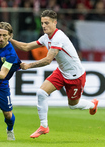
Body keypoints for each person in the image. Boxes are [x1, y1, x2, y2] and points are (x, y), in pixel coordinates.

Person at [10, 10, 99, 138]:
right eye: (42, 23)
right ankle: (44, 126)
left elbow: (47, 60)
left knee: (73, 105)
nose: (44, 26)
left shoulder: (59, 38)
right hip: (61, 72)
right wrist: (10, 40)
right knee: (41, 92)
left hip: (75, 76)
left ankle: (92, 104)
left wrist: (29, 66)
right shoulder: (46, 37)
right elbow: (26, 46)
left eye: (47, 23)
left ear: (55, 23)